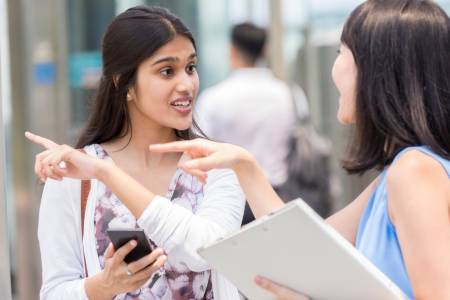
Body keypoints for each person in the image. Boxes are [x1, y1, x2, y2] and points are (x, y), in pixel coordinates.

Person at [144, 0, 450, 299]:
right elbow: (310, 247)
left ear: (377, 70)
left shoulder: (413, 172)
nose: (334, 70)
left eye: (342, 52)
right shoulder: (398, 174)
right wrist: (244, 166)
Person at [26, 5, 245, 300]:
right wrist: (105, 285)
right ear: (124, 83)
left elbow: (202, 250)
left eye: (190, 68)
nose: (186, 84)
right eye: (167, 71)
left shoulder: (217, 166)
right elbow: (54, 292)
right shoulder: (74, 178)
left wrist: (106, 172)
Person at [195, 22, 308, 223]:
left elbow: (200, 146)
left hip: (229, 200)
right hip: (278, 195)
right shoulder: (290, 94)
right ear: (265, 51)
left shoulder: (214, 99)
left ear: (232, 51)